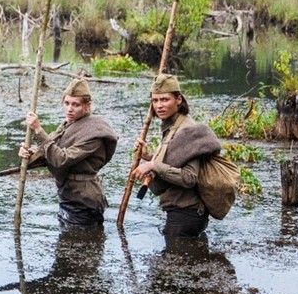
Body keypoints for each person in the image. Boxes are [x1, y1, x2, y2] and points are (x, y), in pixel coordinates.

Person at [130, 73, 223, 242]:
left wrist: (153, 166)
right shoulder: (172, 126)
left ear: (178, 99)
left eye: (165, 100)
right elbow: (175, 159)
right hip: (179, 211)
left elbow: (189, 178)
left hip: (187, 213)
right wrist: (148, 157)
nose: (159, 105)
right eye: (155, 100)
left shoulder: (188, 131)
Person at [19, 78, 118, 227]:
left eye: (75, 104)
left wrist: (39, 130)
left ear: (87, 106)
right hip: (67, 194)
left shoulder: (94, 133)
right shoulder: (68, 124)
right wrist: (30, 153)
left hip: (84, 201)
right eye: (66, 103)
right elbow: (51, 150)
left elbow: (60, 159)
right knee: (65, 244)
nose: (69, 109)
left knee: (83, 244)